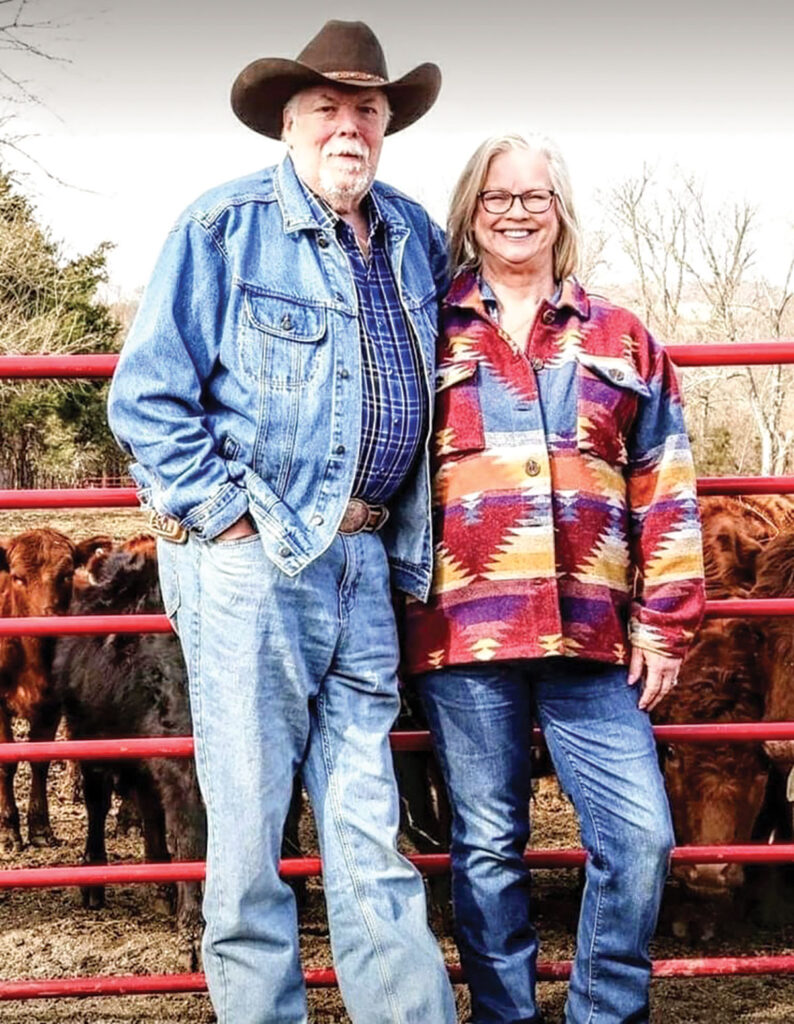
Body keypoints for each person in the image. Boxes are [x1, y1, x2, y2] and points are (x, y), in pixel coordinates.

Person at [107, 20, 457, 1024]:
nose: (349, 126)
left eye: (368, 109)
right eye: (328, 109)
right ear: (288, 123)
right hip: (253, 561)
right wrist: (226, 522)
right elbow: (147, 399)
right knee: (252, 824)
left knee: (364, 820)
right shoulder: (221, 227)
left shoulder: (411, 235)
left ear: (387, 125)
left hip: (366, 556)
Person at [403, 134, 706, 1024]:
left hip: (596, 637)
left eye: (536, 195)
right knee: (489, 846)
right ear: (470, 210)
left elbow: (668, 485)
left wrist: (667, 620)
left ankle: (604, 1012)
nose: (517, 211)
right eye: (498, 196)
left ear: (561, 209)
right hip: (463, 629)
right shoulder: (423, 331)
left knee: (640, 838)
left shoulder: (622, 338)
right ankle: (506, 1014)